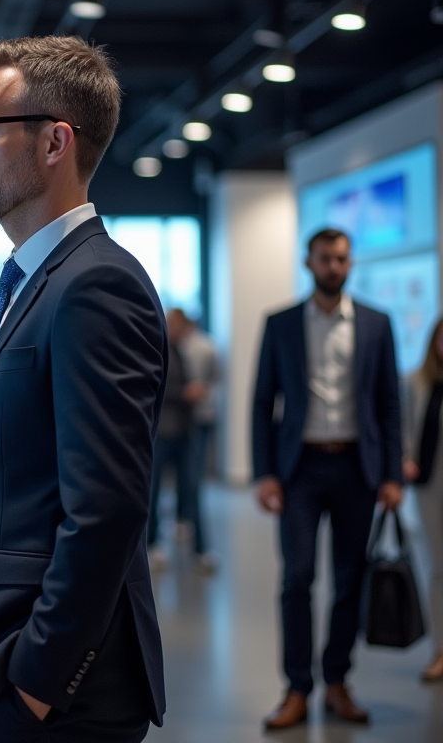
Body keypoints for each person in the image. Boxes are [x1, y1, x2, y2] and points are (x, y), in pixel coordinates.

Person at [0, 35, 166, 743]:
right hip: (4, 661)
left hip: (59, 698)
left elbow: (107, 512)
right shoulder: (43, 277)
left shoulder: (96, 285)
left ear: (55, 142)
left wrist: (35, 687)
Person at [252, 228, 403, 730]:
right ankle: (297, 688)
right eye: (325, 259)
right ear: (308, 262)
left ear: (350, 263)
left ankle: (337, 680)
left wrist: (392, 473)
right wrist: (265, 473)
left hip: (358, 468)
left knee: (349, 581)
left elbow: (388, 403)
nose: (334, 266)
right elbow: (261, 403)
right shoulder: (281, 324)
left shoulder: (377, 325)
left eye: (341, 259)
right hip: (300, 470)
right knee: (297, 578)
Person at [402, 317, 443, 682]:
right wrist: (405, 458)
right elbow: (402, 427)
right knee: (438, 567)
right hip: (430, 484)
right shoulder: (416, 382)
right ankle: (440, 650)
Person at [146, 312, 192, 572]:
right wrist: (185, 393)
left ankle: (196, 545)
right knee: (154, 492)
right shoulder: (156, 349)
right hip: (162, 433)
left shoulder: (180, 352)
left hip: (182, 432)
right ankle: (152, 543)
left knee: (189, 489)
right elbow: (155, 388)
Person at [175, 309, 219, 573]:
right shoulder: (165, 345)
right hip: (172, 426)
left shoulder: (206, 348)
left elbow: (215, 378)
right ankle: (179, 522)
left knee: (193, 481)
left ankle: (196, 540)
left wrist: (201, 391)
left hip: (199, 421)